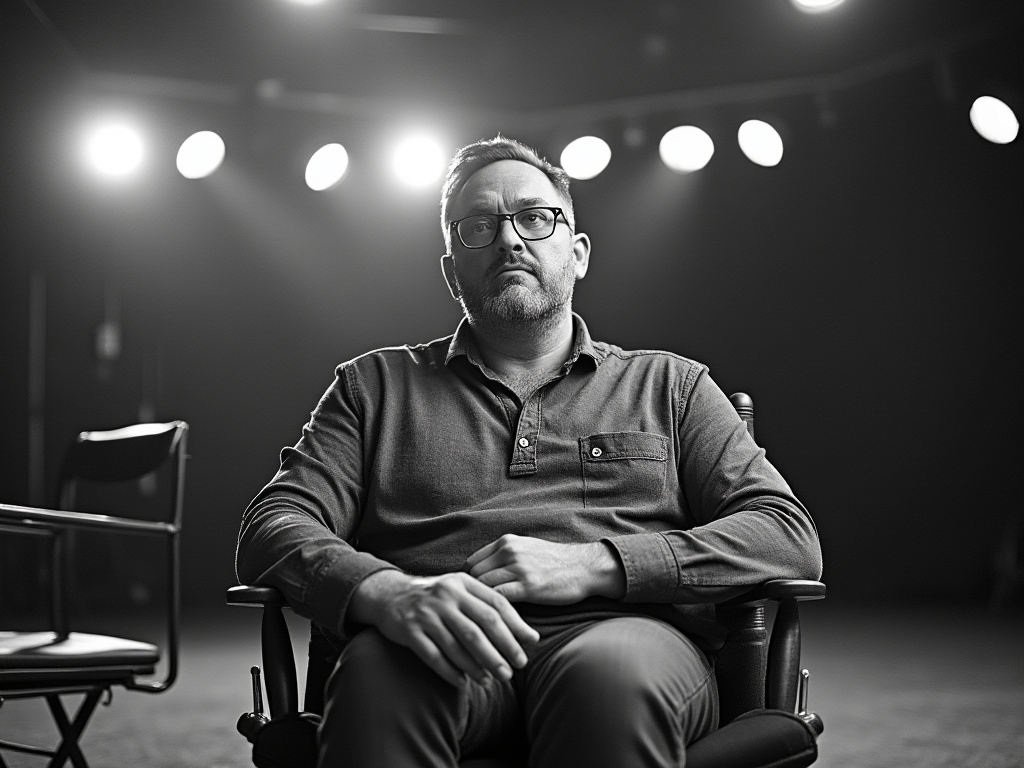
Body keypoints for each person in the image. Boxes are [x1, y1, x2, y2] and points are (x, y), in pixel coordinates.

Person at [236, 135, 822, 768]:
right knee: (382, 672)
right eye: (479, 227)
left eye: (535, 218)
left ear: (578, 254)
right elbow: (272, 526)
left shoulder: (671, 386)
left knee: (609, 679)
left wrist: (599, 563)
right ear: (450, 269)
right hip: (437, 637)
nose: (510, 240)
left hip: (624, 639)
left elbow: (785, 533)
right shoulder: (372, 389)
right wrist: (386, 592)